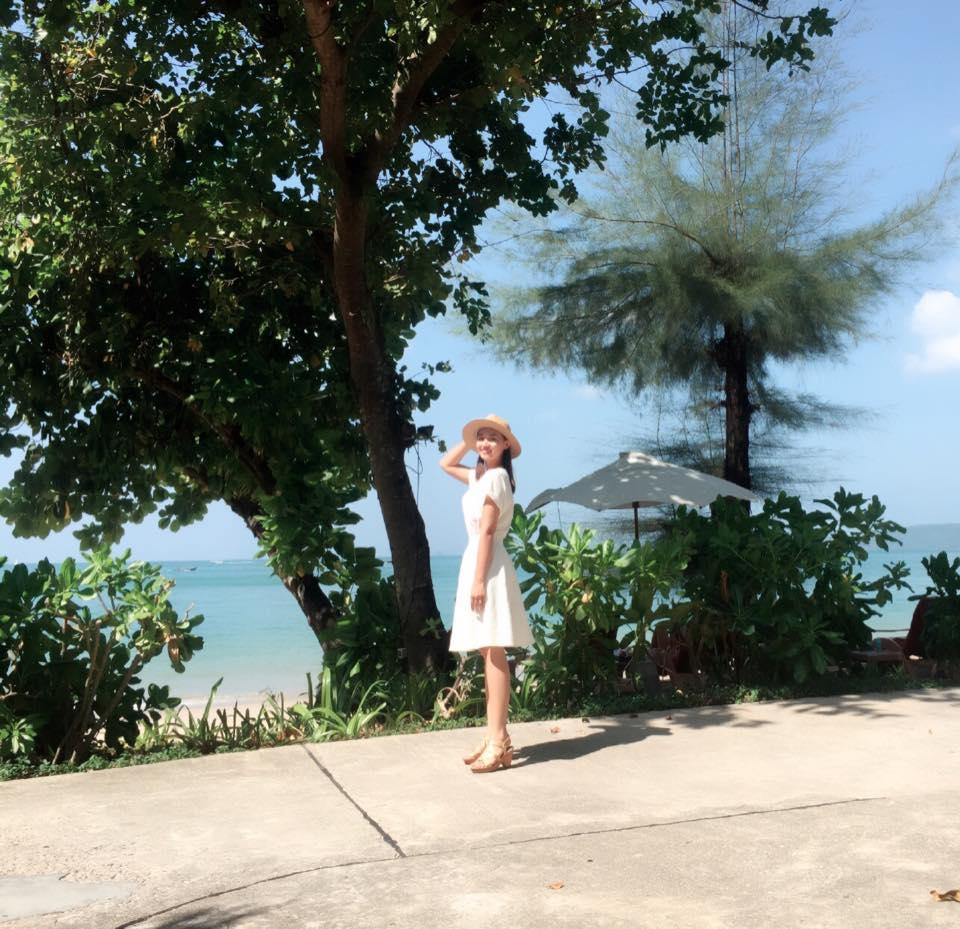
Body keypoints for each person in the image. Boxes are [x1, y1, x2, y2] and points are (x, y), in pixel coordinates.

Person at [439, 413, 534, 773]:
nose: (485, 443)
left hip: (488, 565)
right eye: (482, 437)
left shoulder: (496, 478)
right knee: (486, 650)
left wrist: (479, 580)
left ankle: (498, 741)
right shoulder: (480, 476)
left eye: (494, 438)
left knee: (493, 650)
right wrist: (470, 441)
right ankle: (497, 735)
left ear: (506, 444)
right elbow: (445, 464)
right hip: (477, 561)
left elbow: (488, 533)